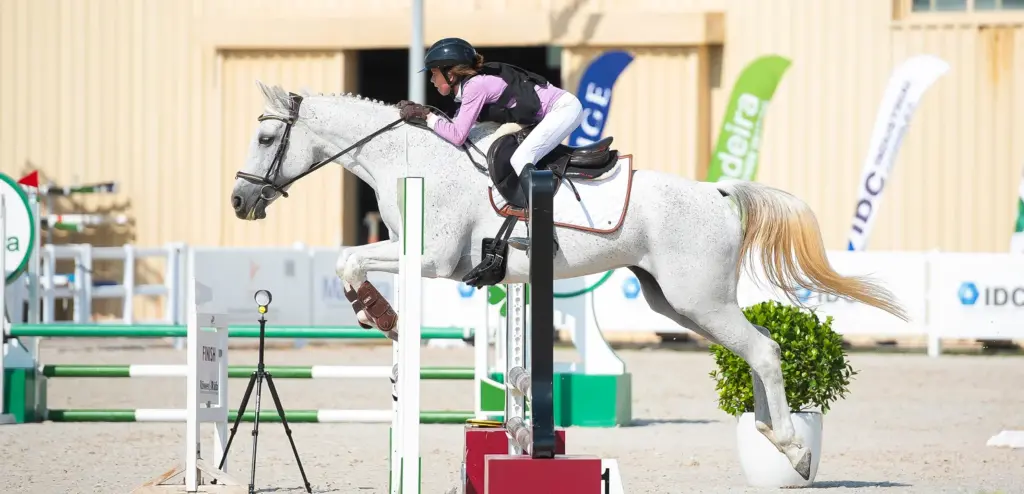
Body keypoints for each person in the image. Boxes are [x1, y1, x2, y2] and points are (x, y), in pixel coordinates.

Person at [398, 37, 584, 207]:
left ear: (451, 75)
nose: (432, 80)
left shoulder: (475, 86)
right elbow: (454, 124)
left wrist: (427, 116)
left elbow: (457, 136)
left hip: (563, 109)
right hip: (550, 113)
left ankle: (543, 226)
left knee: (520, 158)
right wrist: (425, 118)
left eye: (434, 73)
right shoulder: (472, 86)